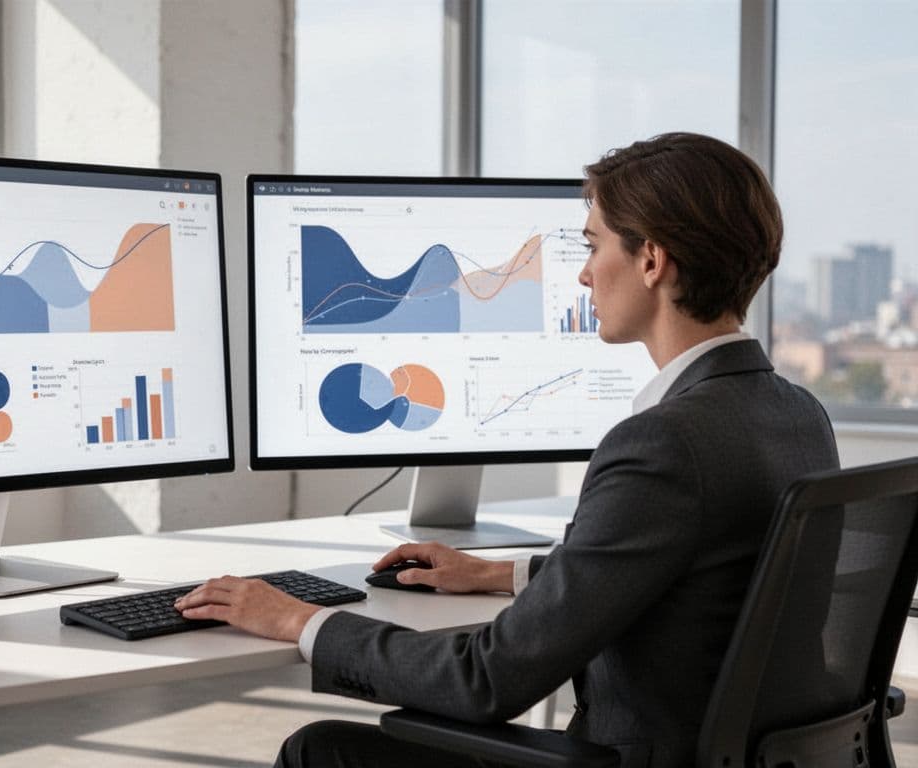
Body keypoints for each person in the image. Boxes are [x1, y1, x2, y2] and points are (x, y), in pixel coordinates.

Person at [173, 132, 840, 768]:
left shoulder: (662, 444)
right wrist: (503, 574)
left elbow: (487, 680)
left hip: (638, 755)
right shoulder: (794, 414)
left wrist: (299, 619)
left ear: (651, 260)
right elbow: (693, 576)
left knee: (322, 750)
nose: (581, 276)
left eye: (592, 245)